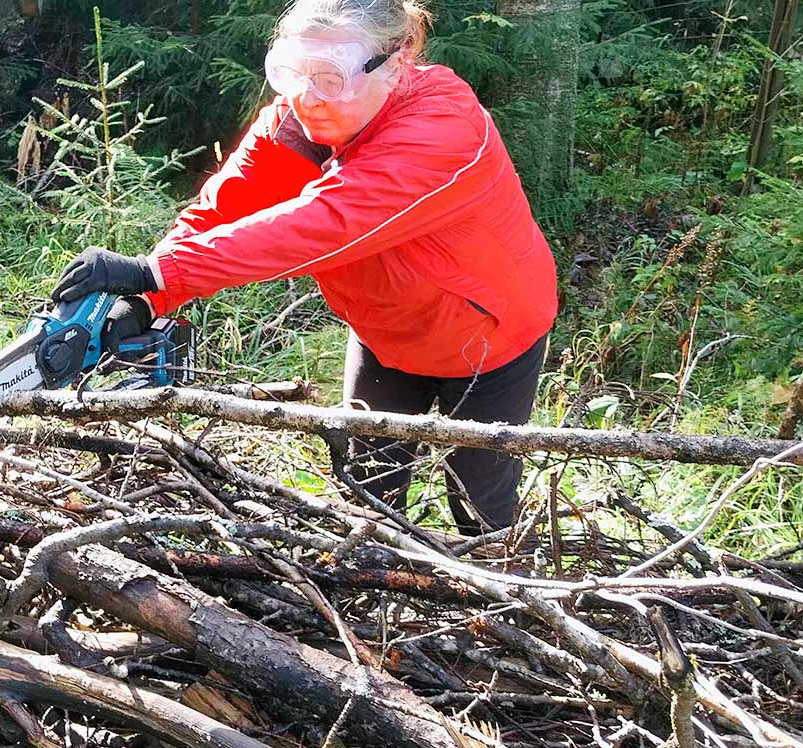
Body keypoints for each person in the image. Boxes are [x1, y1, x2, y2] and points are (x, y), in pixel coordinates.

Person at [50, 0, 558, 538]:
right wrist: (149, 297)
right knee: (366, 490)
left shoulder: (443, 129)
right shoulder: (301, 121)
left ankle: (503, 578)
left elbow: (325, 224)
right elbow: (224, 208)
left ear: (396, 61)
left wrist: (157, 271)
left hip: (488, 336)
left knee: (480, 500)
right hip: (385, 332)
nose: (307, 97)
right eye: (293, 72)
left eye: (331, 78)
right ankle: (380, 581)